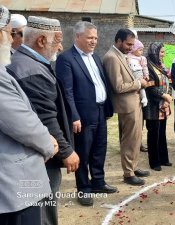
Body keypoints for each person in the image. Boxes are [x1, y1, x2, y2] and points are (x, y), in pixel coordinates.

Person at [7, 16, 80, 225]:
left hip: (35, 156)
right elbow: (45, 118)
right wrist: (66, 151)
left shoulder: (26, 62)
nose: (61, 46)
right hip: (40, 159)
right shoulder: (30, 70)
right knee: (42, 213)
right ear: (41, 41)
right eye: (57, 41)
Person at [0, 6, 57, 225]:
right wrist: (48, 143)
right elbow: (20, 122)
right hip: (14, 185)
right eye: (8, 32)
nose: (11, 38)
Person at [55, 21, 117, 206]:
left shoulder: (95, 57)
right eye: (90, 37)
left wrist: (107, 107)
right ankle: (83, 188)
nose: (94, 41)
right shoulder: (66, 58)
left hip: (99, 111)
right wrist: (74, 115)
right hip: (82, 115)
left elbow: (101, 83)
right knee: (83, 151)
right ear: (78, 37)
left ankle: (98, 181)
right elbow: (67, 91)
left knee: (100, 148)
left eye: (96, 38)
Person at [103, 28, 151, 186]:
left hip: (134, 102)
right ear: (118, 41)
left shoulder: (121, 55)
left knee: (136, 138)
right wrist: (139, 83)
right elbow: (118, 86)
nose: (131, 48)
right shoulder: (111, 57)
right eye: (128, 44)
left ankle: (133, 167)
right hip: (126, 105)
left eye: (132, 45)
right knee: (129, 140)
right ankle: (128, 173)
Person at [143, 42, 174, 171]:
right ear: (154, 52)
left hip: (163, 105)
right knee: (153, 134)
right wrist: (163, 96)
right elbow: (150, 87)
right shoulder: (148, 67)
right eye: (161, 52)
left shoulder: (161, 66)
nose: (163, 54)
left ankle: (163, 159)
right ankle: (154, 162)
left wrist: (168, 98)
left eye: (164, 52)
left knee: (162, 133)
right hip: (153, 106)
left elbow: (170, 82)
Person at [127, 39, 149, 107]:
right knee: (135, 86)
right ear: (134, 49)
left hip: (139, 72)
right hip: (131, 74)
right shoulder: (128, 56)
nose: (141, 52)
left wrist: (146, 75)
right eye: (140, 50)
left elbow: (145, 67)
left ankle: (144, 98)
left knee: (141, 86)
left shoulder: (142, 58)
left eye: (142, 50)